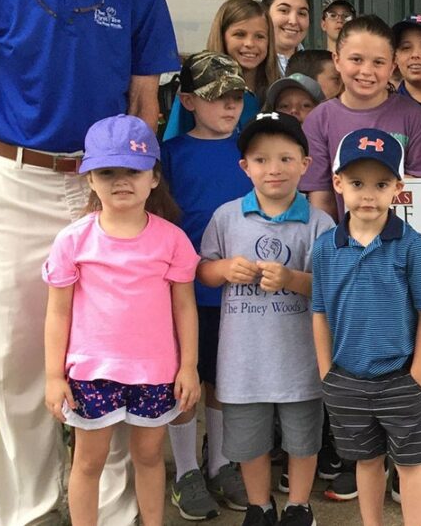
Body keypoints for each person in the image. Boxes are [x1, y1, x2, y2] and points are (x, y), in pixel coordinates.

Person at [0, 0, 181, 521]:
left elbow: (145, 100)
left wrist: (135, 192)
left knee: (115, 356)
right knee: (15, 360)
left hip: (107, 192)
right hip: (12, 179)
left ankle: (114, 514)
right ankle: (31, 513)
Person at [43, 114, 201, 526]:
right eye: (107, 171)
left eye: (133, 170)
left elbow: (185, 306)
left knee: (149, 457)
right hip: (91, 373)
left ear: (154, 177)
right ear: (89, 178)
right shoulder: (73, 240)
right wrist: (53, 375)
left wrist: (187, 367)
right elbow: (58, 311)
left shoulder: (172, 239)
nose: (121, 181)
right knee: (89, 461)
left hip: (156, 372)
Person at [198, 112, 335, 526]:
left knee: (303, 438)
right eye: (260, 160)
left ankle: (298, 505)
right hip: (243, 361)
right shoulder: (226, 217)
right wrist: (223, 271)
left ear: (305, 164)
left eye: (285, 158)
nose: (273, 169)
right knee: (248, 440)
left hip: (300, 359)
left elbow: (332, 286)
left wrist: (293, 279)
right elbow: (202, 270)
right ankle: (259, 506)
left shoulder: (319, 223)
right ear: (245, 167)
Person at [313, 128, 421, 526]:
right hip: (347, 379)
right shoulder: (324, 246)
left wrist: (418, 375)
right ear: (338, 184)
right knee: (367, 462)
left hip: (400, 378)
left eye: (381, 184)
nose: (368, 194)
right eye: (357, 183)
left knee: (410, 464)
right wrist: (327, 373)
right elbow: (318, 311)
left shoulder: (412, 245)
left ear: (398, 189)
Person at [162, 52, 253, 519]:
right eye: (218, 98)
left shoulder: (250, 150)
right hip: (181, 290)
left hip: (238, 290)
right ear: (189, 101)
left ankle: (219, 464)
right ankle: (184, 471)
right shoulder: (171, 153)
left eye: (237, 97)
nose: (230, 107)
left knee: (223, 380)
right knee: (186, 380)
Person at [300, 15, 421, 221]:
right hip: (343, 245)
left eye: (378, 62)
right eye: (356, 59)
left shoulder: (413, 116)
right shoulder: (319, 119)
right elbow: (322, 199)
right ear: (337, 60)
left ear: (392, 67)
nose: (366, 71)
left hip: (402, 242)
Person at [163, 0, 278, 140]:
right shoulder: (198, 87)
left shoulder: (277, 91)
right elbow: (174, 146)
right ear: (222, 36)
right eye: (240, 34)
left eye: (260, 36)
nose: (249, 43)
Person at [263, 0, 311, 75]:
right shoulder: (251, 64)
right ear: (265, 13)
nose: (293, 21)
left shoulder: (317, 66)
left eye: (302, 13)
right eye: (284, 10)